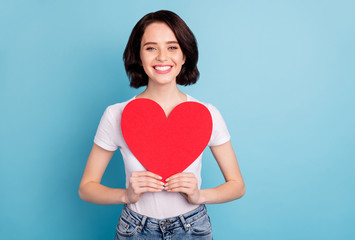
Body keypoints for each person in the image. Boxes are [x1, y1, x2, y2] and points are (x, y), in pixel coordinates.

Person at [79, 10, 245, 239]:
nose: (162, 57)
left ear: (185, 55)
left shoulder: (207, 114)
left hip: (192, 227)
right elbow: (87, 187)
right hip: (135, 229)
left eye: (172, 47)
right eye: (151, 48)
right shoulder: (116, 114)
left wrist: (199, 195)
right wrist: (126, 195)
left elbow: (237, 185)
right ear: (139, 55)